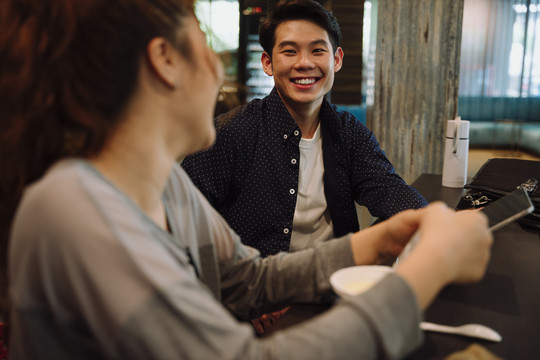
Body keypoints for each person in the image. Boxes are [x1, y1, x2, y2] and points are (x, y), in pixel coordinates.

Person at [1, 0, 493, 359]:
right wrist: (422, 274)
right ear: (165, 60)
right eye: (204, 43)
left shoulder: (165, 182)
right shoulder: (71, 208)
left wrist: (374, 242)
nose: (217, 68)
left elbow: (243, 279)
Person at [181, 0, 428, 259]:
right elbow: (181, 221)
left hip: (335, 284)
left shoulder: (349, 133)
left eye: (317, 51)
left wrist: (430, 219)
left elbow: (388, 190)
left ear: (337, 60)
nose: (304, 63)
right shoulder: (230, 133)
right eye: (289, 52)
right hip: (257, 291)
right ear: (267, 62)